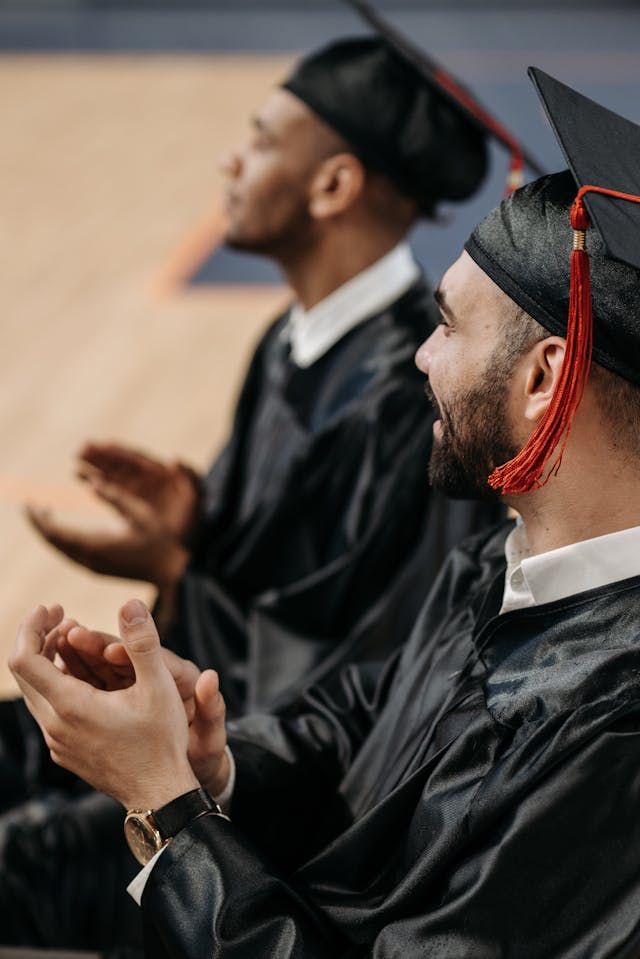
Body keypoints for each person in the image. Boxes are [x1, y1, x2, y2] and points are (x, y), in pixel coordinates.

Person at [10, 67, 640, 958]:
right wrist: (210, 752)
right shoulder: (505, 563)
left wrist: (169, 808)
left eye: (448, 327)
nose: (418, 356)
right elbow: (354, 719)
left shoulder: (614, 731)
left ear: (543, 378)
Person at [25, 32, 507, 718]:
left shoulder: (412, 397)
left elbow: (359, 666)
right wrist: (191, 521)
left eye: (259, 144)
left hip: (254, 756)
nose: (231, 161)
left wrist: (171, 566)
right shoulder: (290, 336)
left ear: (332, 185)